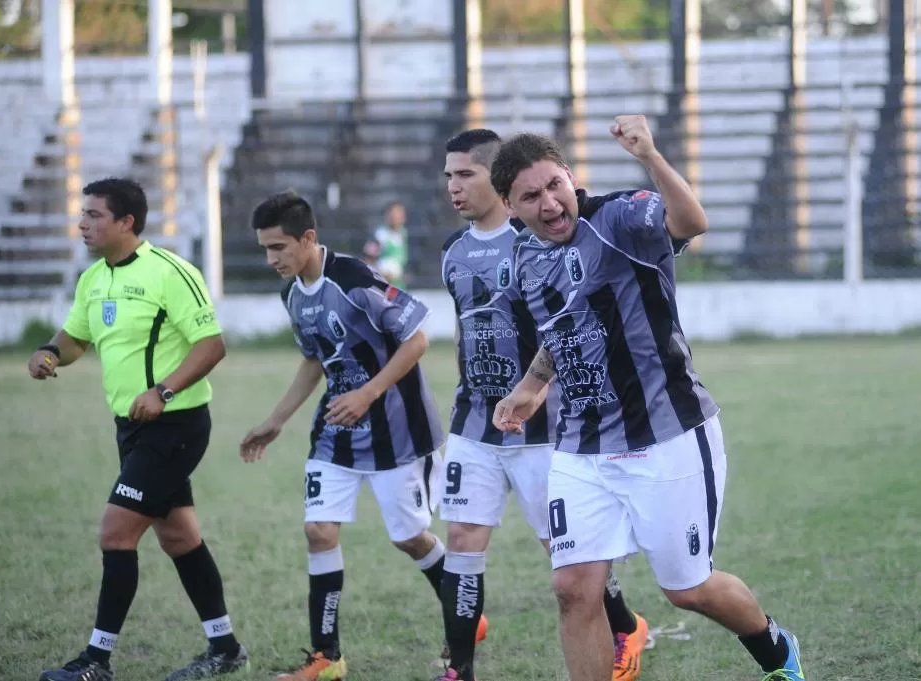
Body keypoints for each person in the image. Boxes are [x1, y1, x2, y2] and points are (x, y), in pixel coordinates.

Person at [490, 118, 806, 681]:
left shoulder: (620, 217)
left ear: (570, 177)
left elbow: (692, 221)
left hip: (668, 435)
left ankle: (775, 649)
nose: (549, 203)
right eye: (530, 196)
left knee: (688, 589)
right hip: (582, 446)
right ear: (511, 208)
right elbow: (562, 327)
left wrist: (652, 158)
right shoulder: (524, 258)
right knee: (572, 588)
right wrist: (533, 385)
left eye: (554, 185)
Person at [240, 191, 481, 681]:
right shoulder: (292, 294)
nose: (272, 259)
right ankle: (326, 657)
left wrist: (369, 393)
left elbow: (416, 338)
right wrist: (278, 418)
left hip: (398, 431)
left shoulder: (354, 280)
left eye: (280, 247)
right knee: (318, 530)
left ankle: (464, 616)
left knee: (411, 538)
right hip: (337, 432)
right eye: (265, 249)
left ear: (308, 238)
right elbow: (315, 358)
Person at [437, 129, 650, 681]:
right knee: (461, 539)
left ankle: (624, 626)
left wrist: (538, 391)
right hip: (473, 419)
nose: (454, 187)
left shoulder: (540, 239)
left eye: (466, 175)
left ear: (498, 183)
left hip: (544, 427)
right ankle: (459, 669)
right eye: (448, 177)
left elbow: (568, 329)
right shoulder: (452, 253)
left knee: (566, 553)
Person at [28, 177, 249, 681]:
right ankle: (226, 648)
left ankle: (97, 660)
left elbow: (211, 345)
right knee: (180, 538)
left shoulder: (169, 272)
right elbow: (76, 339)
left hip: (176, 425)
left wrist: (163, 391)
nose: (83, 223)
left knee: (115, 532)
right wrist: (48, 352)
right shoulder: (93, 279)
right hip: (130, 429)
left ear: (127, 222)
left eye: (94, 215)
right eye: (82, 214)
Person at [373, 200, 409, 287]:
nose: (398, 216)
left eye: (400, 213)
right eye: (394, 213)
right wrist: (382, 274)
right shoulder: (380, 235)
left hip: (399, 285)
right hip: (384, 286)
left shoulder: (403, 233)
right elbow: (369, 260)